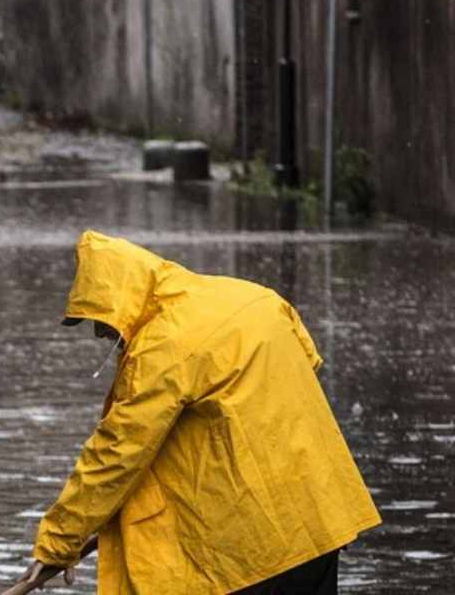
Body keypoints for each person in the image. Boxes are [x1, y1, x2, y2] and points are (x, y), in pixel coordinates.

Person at [21, 231, 380, 594]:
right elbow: (307, 359)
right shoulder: (254, 297)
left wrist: (57, 543)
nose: (99, 333)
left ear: (121, 300)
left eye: (100, 319)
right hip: (318, 518)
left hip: (256, 549)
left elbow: (116, 452)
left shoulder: (162, 346)